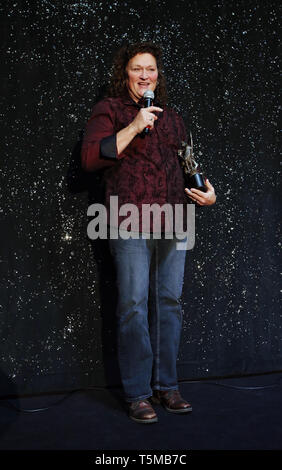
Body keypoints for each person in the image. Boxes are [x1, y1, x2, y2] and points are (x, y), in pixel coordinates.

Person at [81, 42, 216, 424]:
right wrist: (134, 126)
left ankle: (167, 387)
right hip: (129, 220)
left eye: (151, 69)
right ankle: (138, 393)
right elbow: (90, 159)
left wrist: (207, 190)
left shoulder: (172, 117)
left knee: (169, 304)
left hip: (174, 219)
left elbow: (187, 160)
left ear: (158, 75)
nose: (145, 76)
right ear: (124, 74)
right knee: (134, 306)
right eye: (137, 69)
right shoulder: (108, 111)